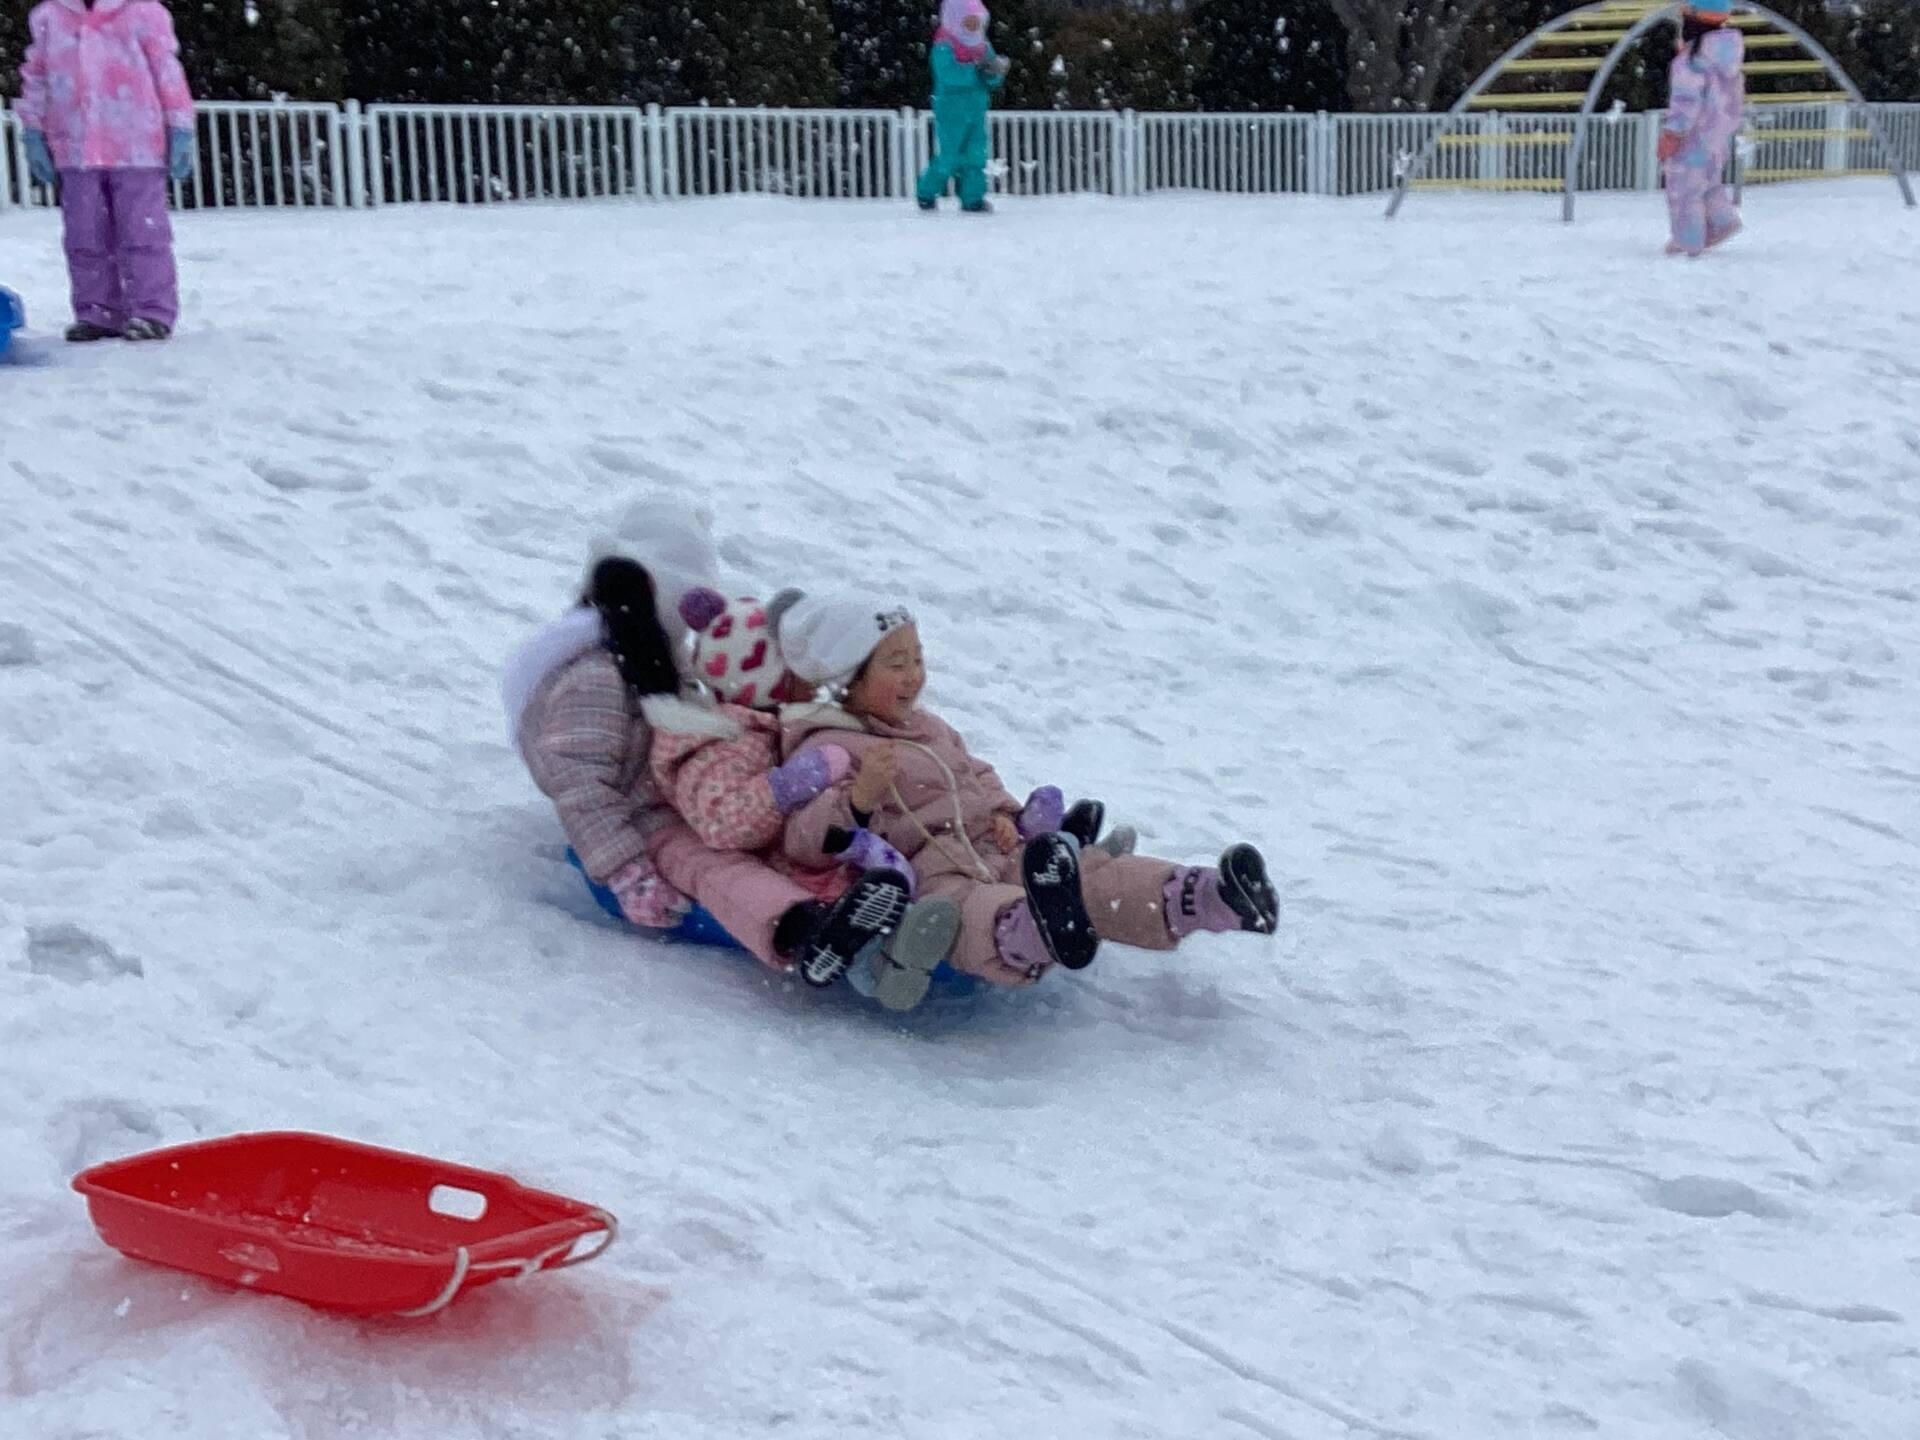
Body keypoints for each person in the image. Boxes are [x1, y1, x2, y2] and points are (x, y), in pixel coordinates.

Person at [774, 592, 1280, 989]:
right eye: (896, 664)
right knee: (971, 909)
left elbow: (977, 774)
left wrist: (1003, 812)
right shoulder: (826, 746)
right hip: (927, 869)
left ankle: (1215, 898)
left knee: (1090, 874)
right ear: (847, 679)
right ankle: (1044, 930)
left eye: (918, 659)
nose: (914, 677)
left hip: (992, 843)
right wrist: (858, 799)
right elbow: (800, 842)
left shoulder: (930, 728)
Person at [503, 511, 911, 989]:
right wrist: (626, 872)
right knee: (718, 868)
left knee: (781, 840)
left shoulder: (657, 660)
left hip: (689, 802)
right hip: (645, 824)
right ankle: (805, 930)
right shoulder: (595, 678)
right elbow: (580, 785)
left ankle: (875, 907)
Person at [16, 0, 197, 341]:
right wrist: (33, 130)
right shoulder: (50, 17)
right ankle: (97, 312)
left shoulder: (144, 12)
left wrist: (180, 125)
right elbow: (36, 76)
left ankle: (152, 311)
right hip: (75, 146)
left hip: (137, 145)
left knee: (143, 234)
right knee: (84, 235)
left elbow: (166, 70)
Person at [1657, 3, 1745, 258]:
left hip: (1692, 136)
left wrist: (1672, 133)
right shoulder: (1726, 56)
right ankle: (1722, 221)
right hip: (1716, 134)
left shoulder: (1691, 62)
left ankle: (1688, 240)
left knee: (1684, 187)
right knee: (1708, 182)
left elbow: (1686, 100)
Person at [915, 0, 1009, 215]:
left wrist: (994, 73)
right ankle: (926, 193)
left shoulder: (982, 45)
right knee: (950, 155)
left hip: (976, 107)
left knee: (976, 154)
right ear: (955, 18)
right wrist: (977, 71)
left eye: (976, 20)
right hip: (950, 108)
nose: (973, 25)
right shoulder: (944, 44)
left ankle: (973, 198)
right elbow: (948, 75)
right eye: (968, 20)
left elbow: (990, 79)